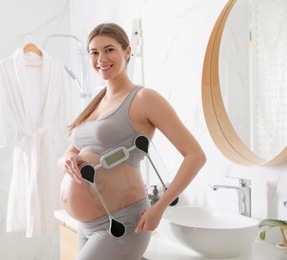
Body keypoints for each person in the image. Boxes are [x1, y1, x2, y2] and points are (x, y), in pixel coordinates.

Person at [57, 23, 206, 260]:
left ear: (127, 52)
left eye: (109, 50)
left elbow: (196, 156)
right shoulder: (96, 101)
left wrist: (160, 207)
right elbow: (71, 150)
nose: (100, 59)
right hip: (87, 225)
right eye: (94, 52)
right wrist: (66, 159)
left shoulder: (144, 98)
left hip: (122, 224)